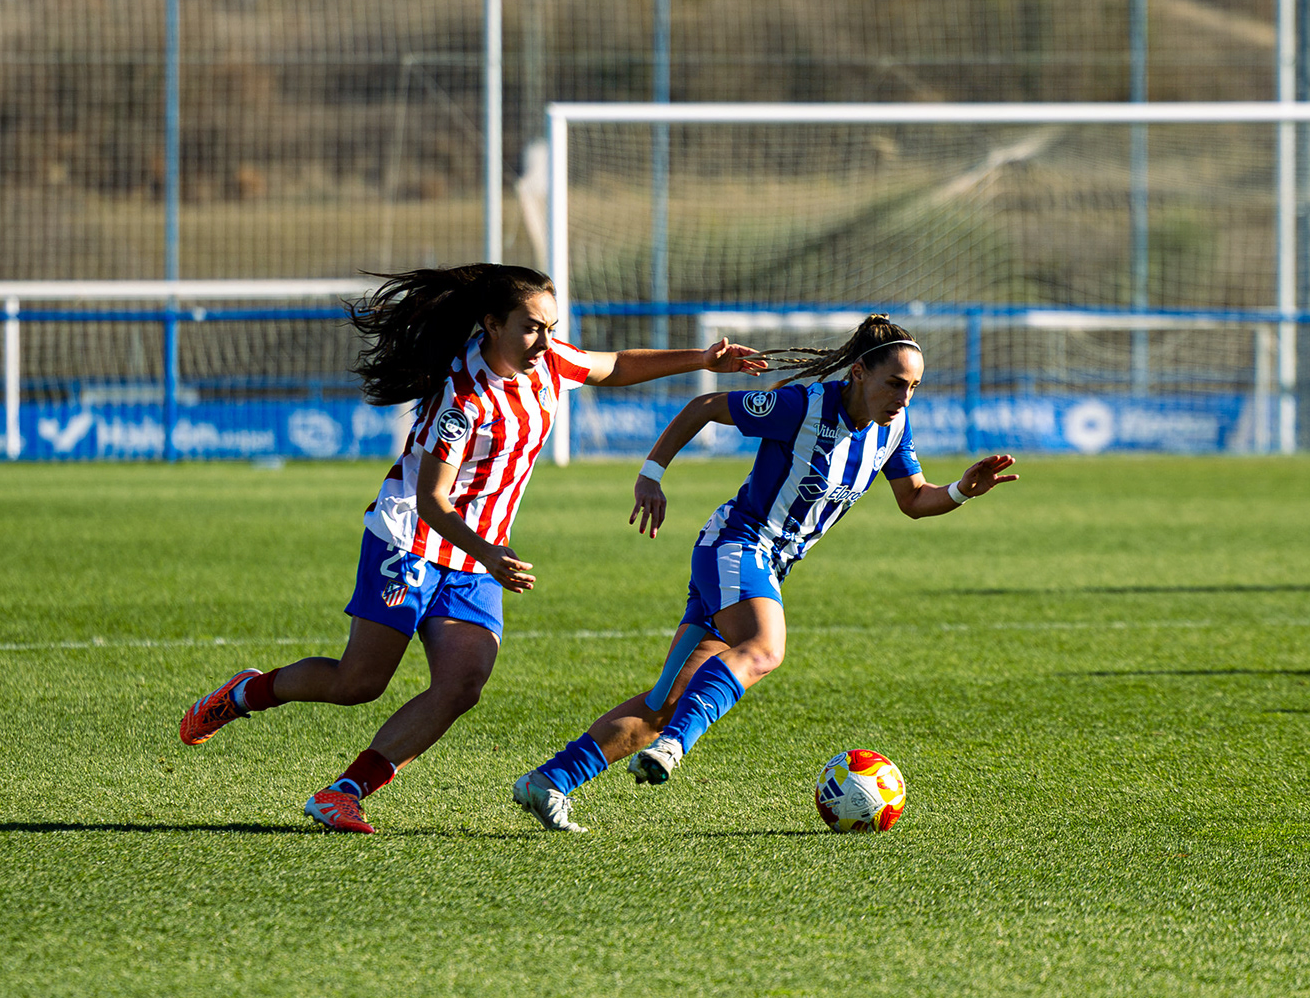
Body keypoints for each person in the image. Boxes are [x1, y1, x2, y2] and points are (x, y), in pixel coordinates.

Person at [177, 263, 767, 834]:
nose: (545, 340)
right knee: (358, 683)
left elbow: (612, 366)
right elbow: (433, 500)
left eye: (551, 327)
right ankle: (245, 692)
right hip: (410, 539)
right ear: (492, 323)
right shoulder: (462, 400)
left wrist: (702, 360)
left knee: (462, 684)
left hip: (477, 552)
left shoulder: (550, 361)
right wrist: (487, 553)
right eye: (532, 327)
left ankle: (343, 794)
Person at [512, 314, 1019, 833]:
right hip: (735, 546)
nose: (903, 397)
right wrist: (652, 475)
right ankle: (675, 747)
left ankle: (550, 781)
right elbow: (705, 405)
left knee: (664, 704)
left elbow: (913, 499)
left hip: (765, 566)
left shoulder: (892, 429)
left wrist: (960, 490)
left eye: (913, 387)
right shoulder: (803, 406)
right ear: (861, 373)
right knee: (765, 647)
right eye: (895, 383)